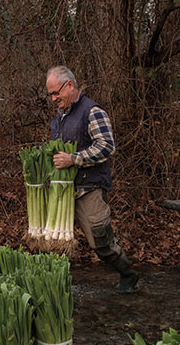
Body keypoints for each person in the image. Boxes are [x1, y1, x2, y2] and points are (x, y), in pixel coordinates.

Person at [45, 65, 139, 293]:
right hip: (65, 191)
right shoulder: (60, 117)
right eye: (51, 95)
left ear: (69, 85)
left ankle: (129, 275)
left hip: (90, 188)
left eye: (56, 92)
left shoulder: (92, 111)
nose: (53, 98)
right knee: (57, 240)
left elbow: (106, 146)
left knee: (101, 242)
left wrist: (73, 159)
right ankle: (57, 285)